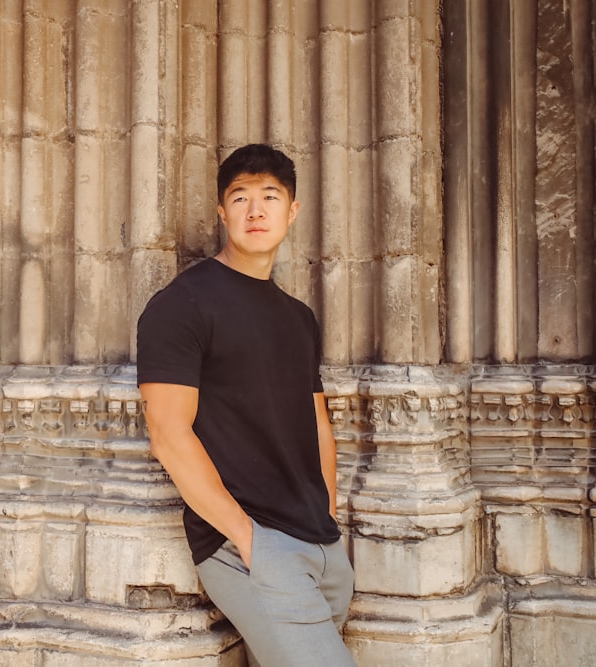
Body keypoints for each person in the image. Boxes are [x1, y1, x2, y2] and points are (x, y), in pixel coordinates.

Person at [136, 144, 356, 667]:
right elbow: (168, 433)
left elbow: (316, 421)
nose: (255, 210)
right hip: (249, 549)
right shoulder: (182, 304)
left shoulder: (298, 317)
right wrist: (248, 539)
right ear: (222, 212)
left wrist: (326, 511)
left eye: (270, 196)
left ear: (292, 210)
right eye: (240, 197)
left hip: (322, 548)